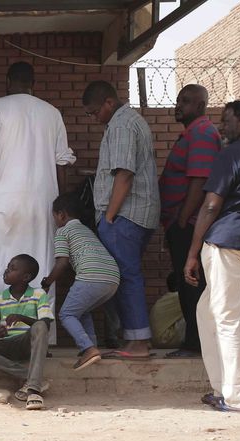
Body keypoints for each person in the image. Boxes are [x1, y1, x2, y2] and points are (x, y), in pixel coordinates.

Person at [0, 62, 76, 343]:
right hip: (43, 203)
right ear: (33, 83)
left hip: (4, 202)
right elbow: (62, 161)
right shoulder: (51, 113)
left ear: (8, 81)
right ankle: (40, 336)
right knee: (40, 267)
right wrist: (60, 203)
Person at [184, 100, 240, 414]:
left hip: (226, 243)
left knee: (226, 319)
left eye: (227, 120)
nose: (222, 126)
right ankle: (222, 388)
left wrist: (192, 253)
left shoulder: (231, 154)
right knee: (207, 311)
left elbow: (210, 206)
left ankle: (238, 399)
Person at [83, 80, 160, 359]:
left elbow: (124, 174)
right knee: (127, 275)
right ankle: (134, 339)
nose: (94, 118)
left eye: (94, 112)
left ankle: (138, 341)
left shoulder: (121, 125)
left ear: (108, 102)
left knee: (126, 277)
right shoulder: (129, 121)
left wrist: (110, 215)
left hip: (125, 216)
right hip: (136, 214)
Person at [158, 84, 222, 359]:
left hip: (190, 224)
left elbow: (200, 181)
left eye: (185, 101)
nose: (178, 105)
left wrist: (182, 220)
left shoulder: (203, 134)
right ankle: (194, 344)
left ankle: (194, 345)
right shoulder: (192, 133)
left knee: (191, 284)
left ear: (200, 105)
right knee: (187, 285)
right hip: (180, 223)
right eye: (178, 100)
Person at [41, 193, 120, 370]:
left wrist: (47, 282)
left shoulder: (63, 231)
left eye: (54, 217)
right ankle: (91, 347)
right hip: (112, 278)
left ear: (61, 215)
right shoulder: (86, 230)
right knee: (82, 310)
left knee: (66, 314)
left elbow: (62, 262)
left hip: (91, 277)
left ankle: (88, 349)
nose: (55, 221)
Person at [0, 254, 52, 410]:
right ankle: (31, 377)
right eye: (8, 267)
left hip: (27, 343)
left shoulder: (38, 294)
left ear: (26, 277)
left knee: (40, 325)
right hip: (6, 346)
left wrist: (21, 317)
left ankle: (33, 390)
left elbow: (45, 325)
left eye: (12, 268)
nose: (6, 271)